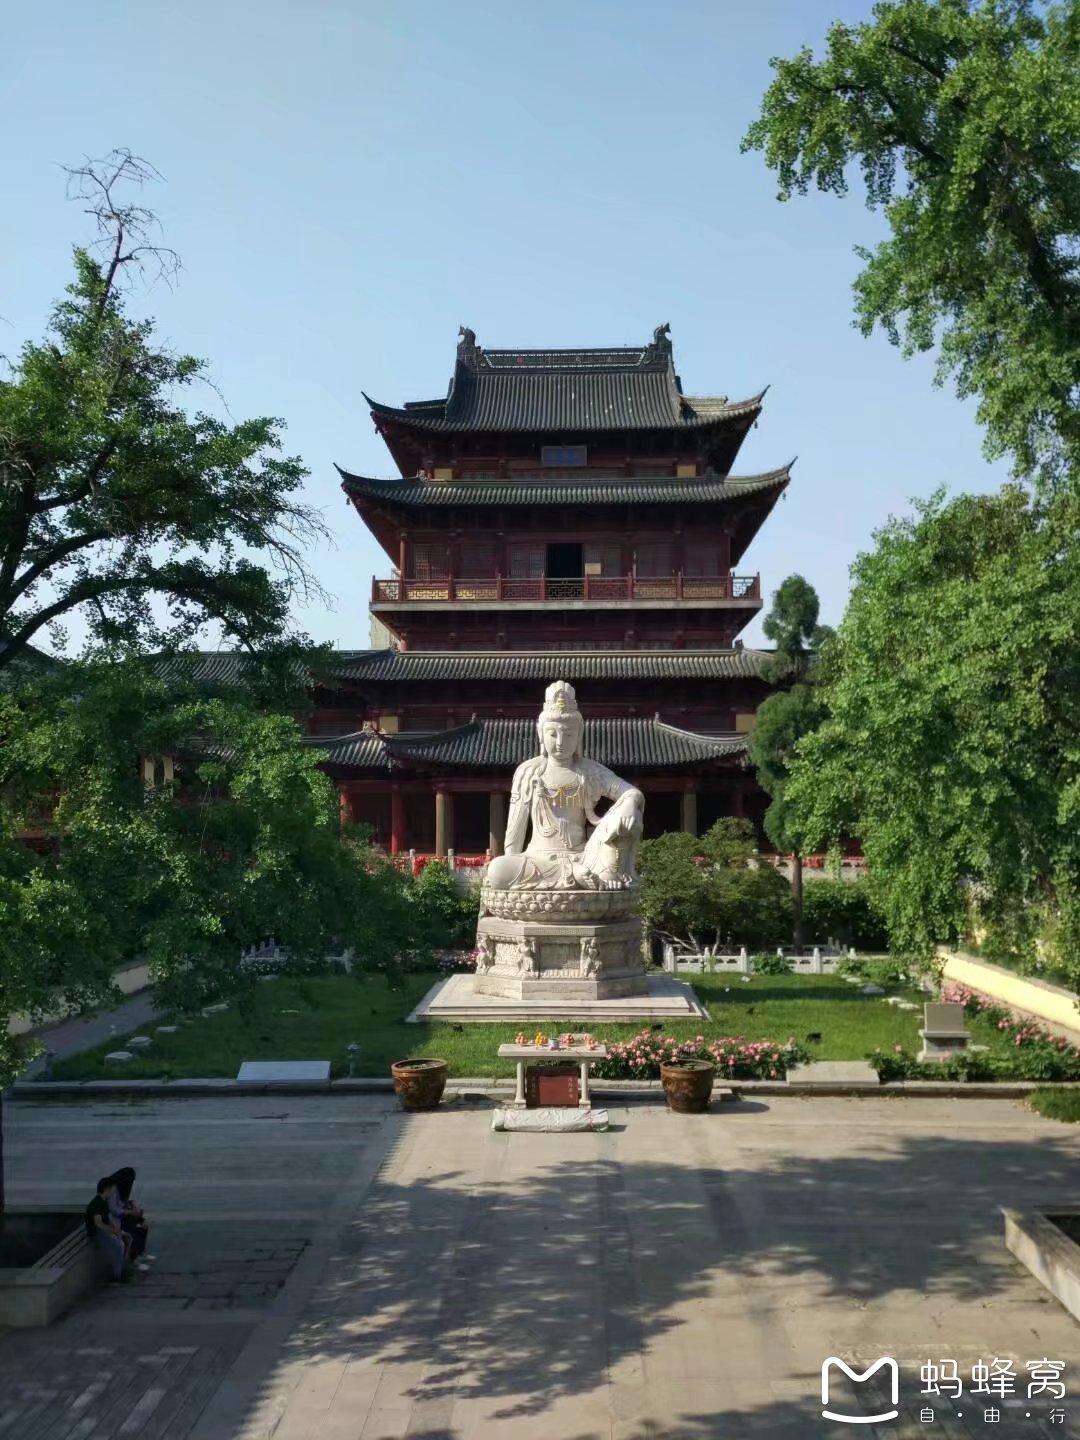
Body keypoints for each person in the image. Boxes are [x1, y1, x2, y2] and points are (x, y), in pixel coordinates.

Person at [85, 1177, 130, 1282]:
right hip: (97, 1233)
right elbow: (98, 1224)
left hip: (104, 1231)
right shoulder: (96, 1204)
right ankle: (117, 1276)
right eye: (112, 1190)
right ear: (106, 1189)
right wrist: (113, 1231)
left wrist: (118, 1231)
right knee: (119, 1246)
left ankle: (123, 1270)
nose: (113, 1192)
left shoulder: (104, 1202)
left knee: (126, 1239)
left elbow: (109, 1219)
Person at [107, 1166, 151, 1265]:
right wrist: (129, 1212)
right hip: (114, 1219)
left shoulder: (122, 1190)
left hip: (122, 1216)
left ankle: (140, 1252)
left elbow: (122, 1204)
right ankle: (133, 1257)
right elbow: (113, 1209)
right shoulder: (114, 1189)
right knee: (132, 1224)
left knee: (145, 1223)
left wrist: (132, 1206)